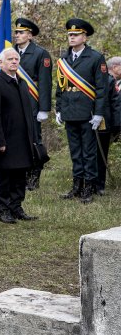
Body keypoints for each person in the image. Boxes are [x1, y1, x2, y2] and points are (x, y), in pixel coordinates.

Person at [56, 18, 107, 204]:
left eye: (76, 35)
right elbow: (60, 87)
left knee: (89, 152)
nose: (71, 38)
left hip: (88, 113)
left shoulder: (95, 57)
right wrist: (58, 109)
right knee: (75, 151)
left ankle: (89, 187)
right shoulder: (64, 59)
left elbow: (102, 89)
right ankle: (77, 186)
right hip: (69, 111)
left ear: (84, 37)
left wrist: (99, 113)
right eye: (70, 35)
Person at [0, 48, 38, 223]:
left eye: (16, 58)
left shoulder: (22, 83)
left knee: (19, 175)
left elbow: (27, 113)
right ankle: (2, 209)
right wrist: (0, 140)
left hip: (23, 138)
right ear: (1, 63)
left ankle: (16, 207)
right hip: (6, 138)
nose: (14, 61)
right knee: (4, 176)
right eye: (10, 59)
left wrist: (33, 137)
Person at [14, 18, 53, 191]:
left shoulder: (40, 53)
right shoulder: (11, 52)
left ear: (29, 35)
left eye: (21, 32)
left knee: (34, 140)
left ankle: (34, 175)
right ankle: (21, 174)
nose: (17, 35)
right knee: (18, 140)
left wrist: (44, 108)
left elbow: (45, 82)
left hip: (32, 104)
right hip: (14, 104)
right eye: (16, 32)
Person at [99, 56, 121, 195]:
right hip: (104, 124)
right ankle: (97, 185)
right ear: (115, 67)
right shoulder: (105, 80)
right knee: (100, 155)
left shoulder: (114, 81)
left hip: (111, 124)